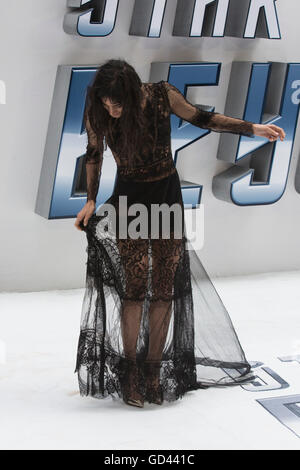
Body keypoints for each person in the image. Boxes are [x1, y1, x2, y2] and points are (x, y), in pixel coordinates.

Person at [74, 59, 285, 408]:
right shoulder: (98, 108)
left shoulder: (161, 96)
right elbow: (94, 154)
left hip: (166, 196)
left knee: (163, 288)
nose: (110, 109)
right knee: (135, 287)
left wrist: (252, 129)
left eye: (116, 103)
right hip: (130, 200)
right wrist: (91, 199)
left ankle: (154, 371)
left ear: (131, 92)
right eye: (105, 103)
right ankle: (130, 373)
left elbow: (205, 119)